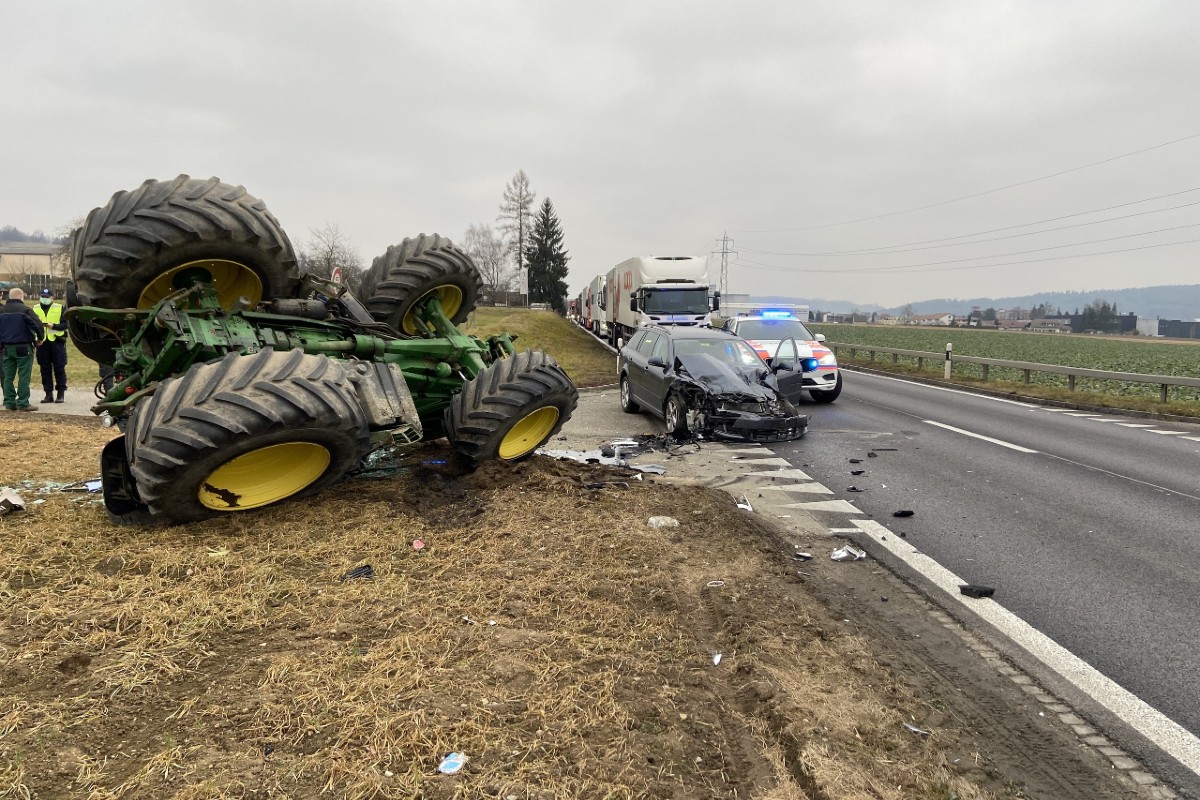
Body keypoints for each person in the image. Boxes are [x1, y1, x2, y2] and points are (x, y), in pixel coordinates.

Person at [1, 288, 45, 411]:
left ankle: (9, 402)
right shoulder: (25, 310)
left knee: (8, 376)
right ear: (21, 297)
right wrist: (40, 338)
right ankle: (23, 402)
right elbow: (37, 324)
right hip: (23, 346)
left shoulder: (2, 310)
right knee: (23, 375)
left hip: (6, 347)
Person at [33, 287, 68, 403]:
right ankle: (48, 394)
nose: (44, 299)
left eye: (47, 297)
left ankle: (60, 394)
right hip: (42, 342)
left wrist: (54, 326)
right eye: (43, 297)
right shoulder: (35, 308)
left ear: (52, 298)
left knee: (59, 368)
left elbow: (66, 324)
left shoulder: (59, 308)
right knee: (45, 369)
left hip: (57, 342)